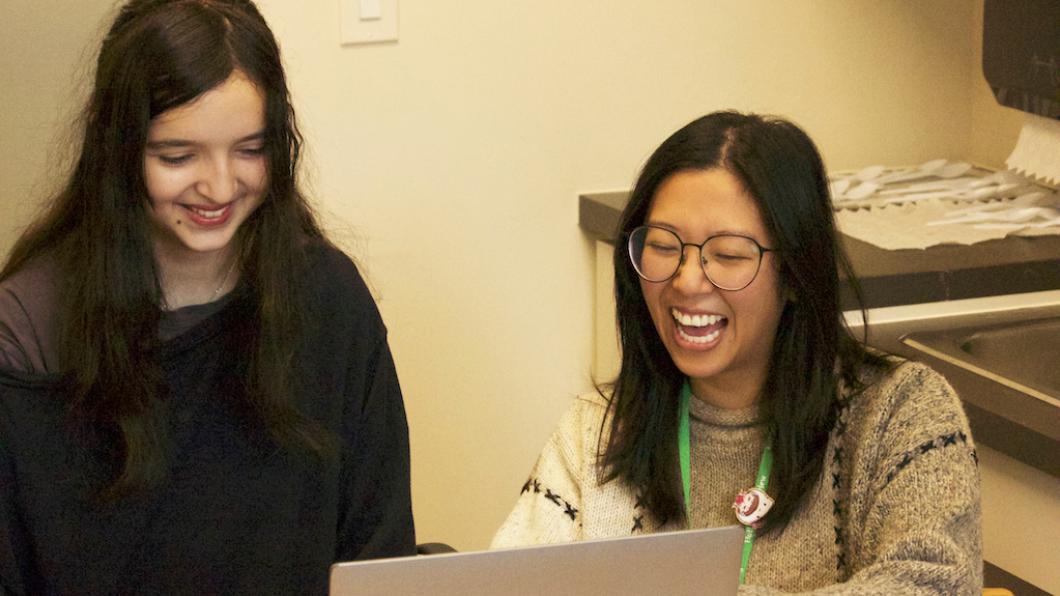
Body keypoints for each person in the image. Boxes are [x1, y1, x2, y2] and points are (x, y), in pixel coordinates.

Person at [0, 1, 414, 593]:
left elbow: (380, 552)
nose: (220, 186)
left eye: (250, 150)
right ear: (113, 144)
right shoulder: (27, 336)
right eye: (178, 156)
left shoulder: (328, 299)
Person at [492, 112, 982, 594]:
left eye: (727, 255)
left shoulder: (903, 413)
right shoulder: (594, 431)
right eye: (664, 246)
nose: (685, 281)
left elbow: (935, 583)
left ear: (793, 273)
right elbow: (506, 584)